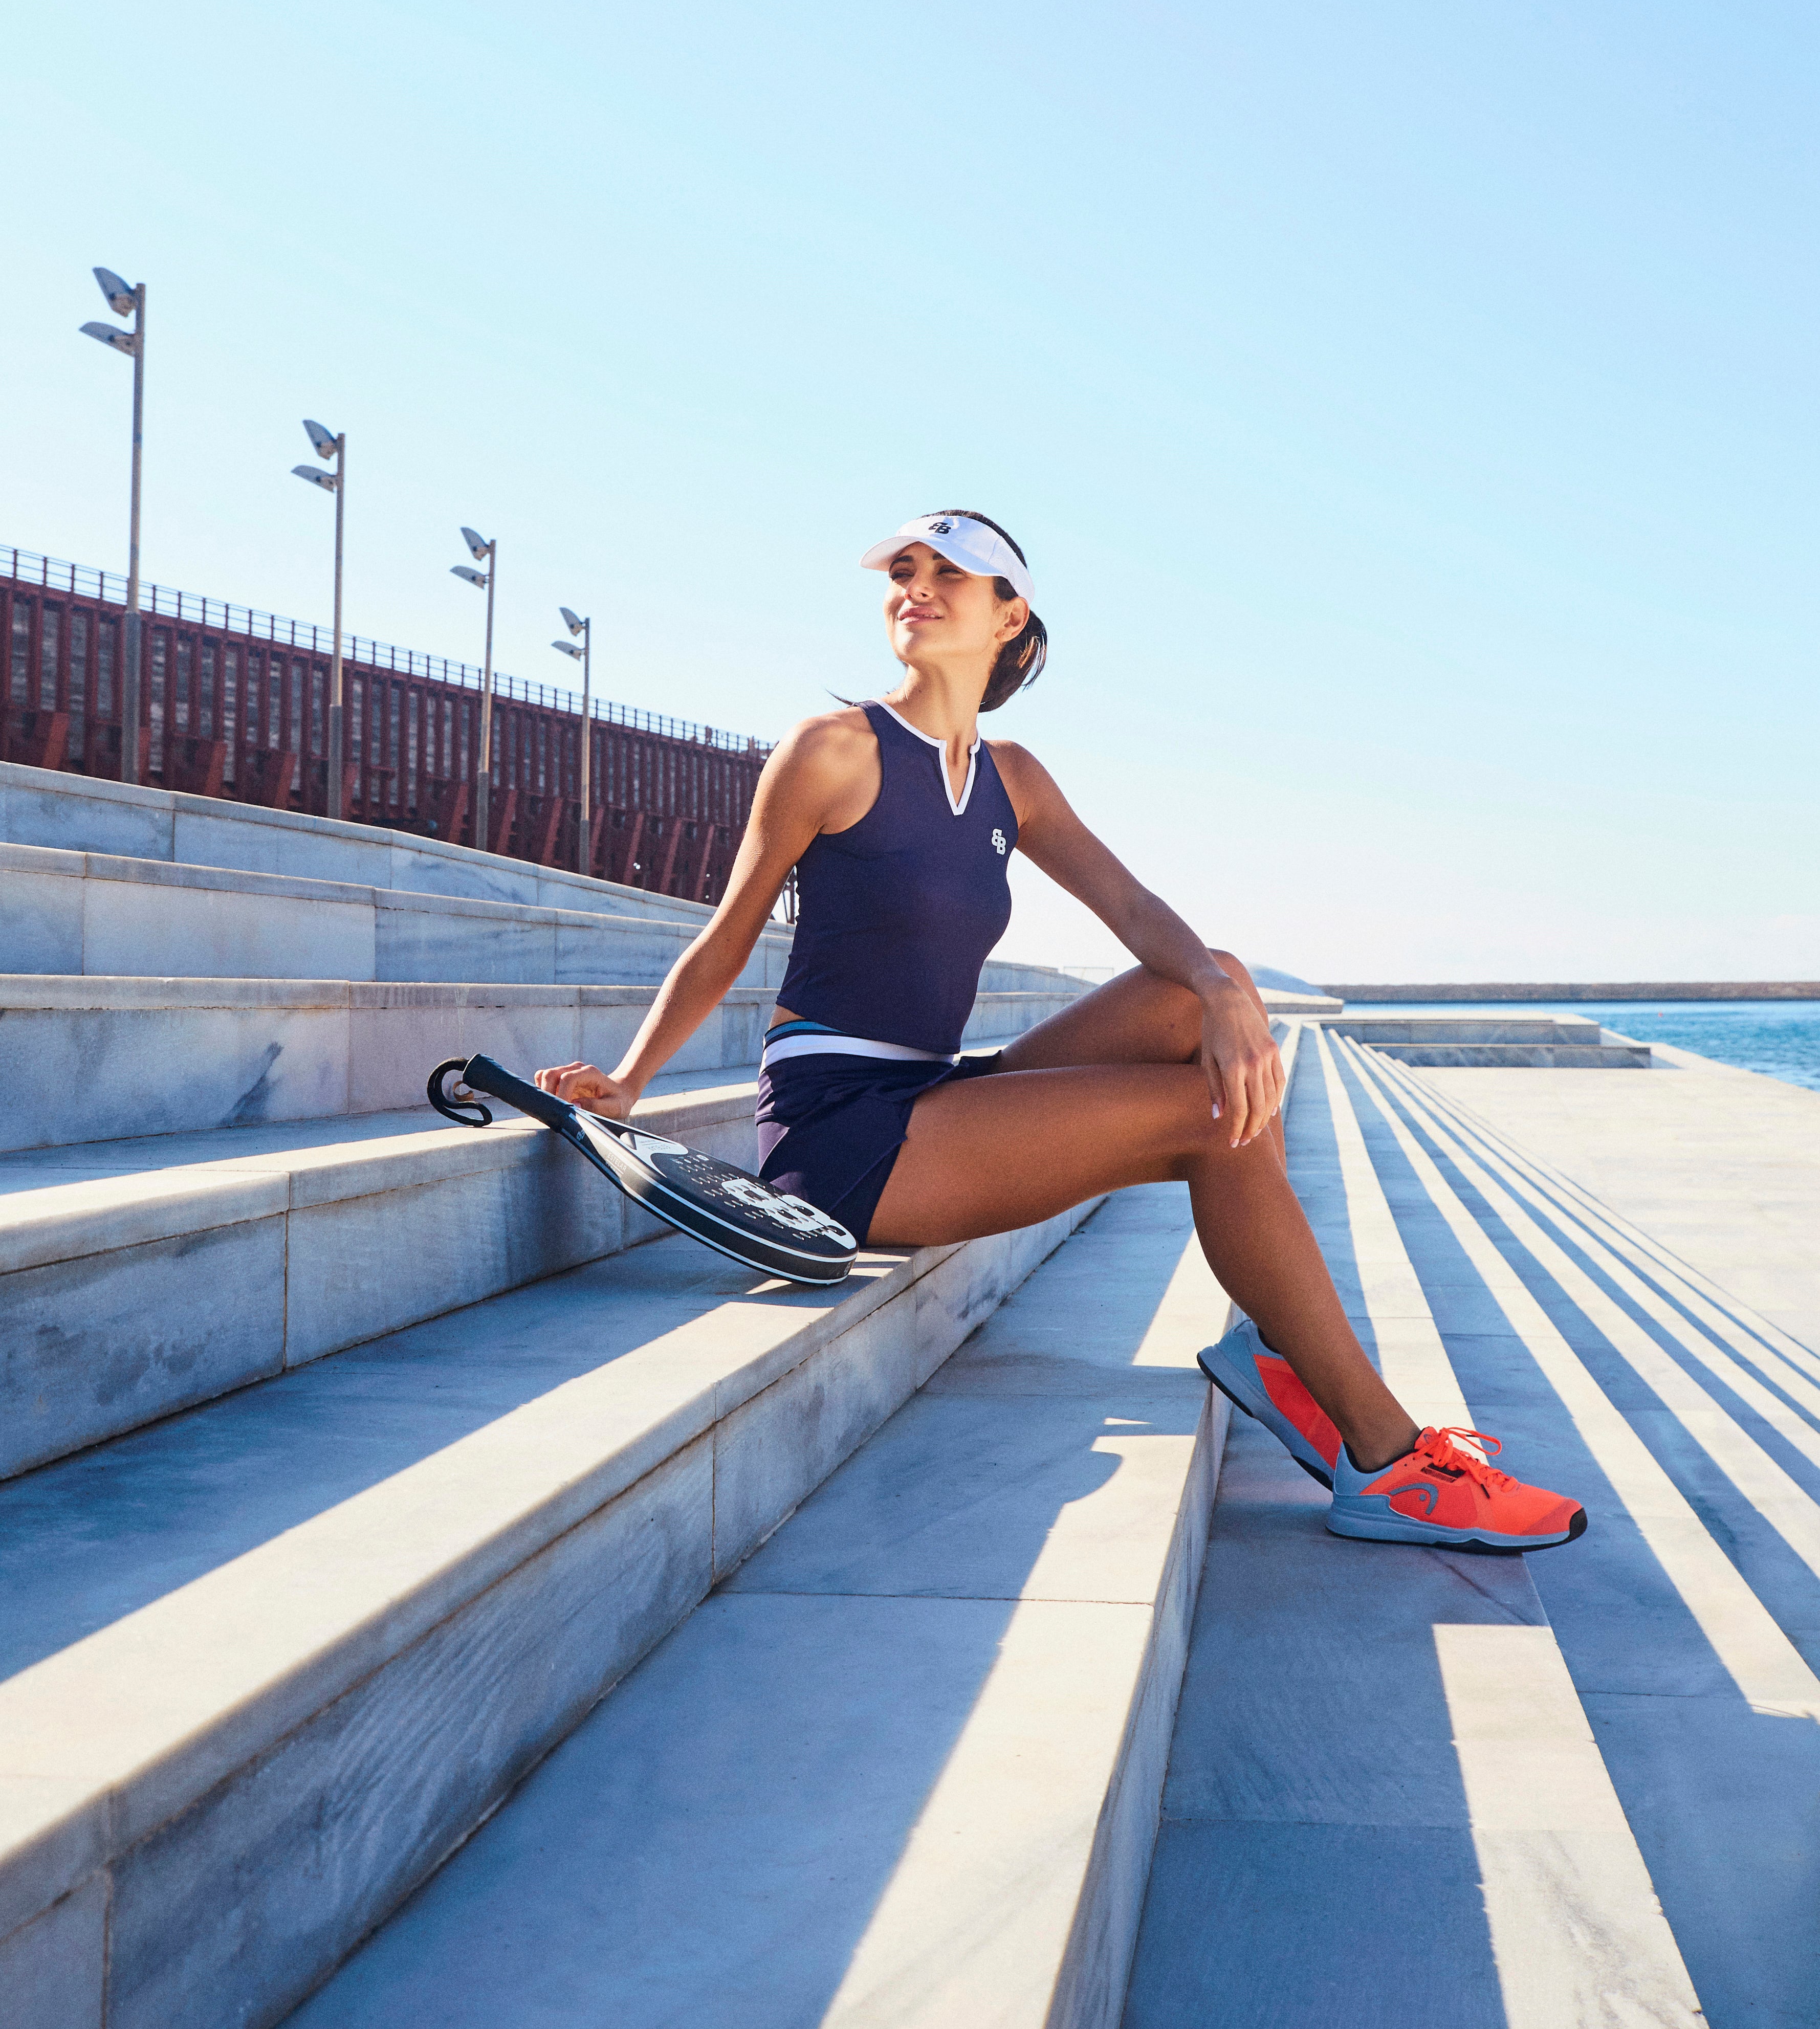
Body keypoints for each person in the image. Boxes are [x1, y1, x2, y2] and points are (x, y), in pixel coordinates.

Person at [538, 510, 1585, 1555]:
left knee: (1202, 984)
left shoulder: (1015, 779)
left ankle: (1298, 1366)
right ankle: (1384, 1457)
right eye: (905, 570)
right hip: (846, 1135)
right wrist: (630, 1080)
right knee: (1208, 1115)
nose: (918, 586)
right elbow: (728, 936)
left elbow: (1134, 914)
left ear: (1010, 615)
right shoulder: (834, 752)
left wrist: (1225, 993)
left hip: (941, 1092)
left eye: (952, 573)